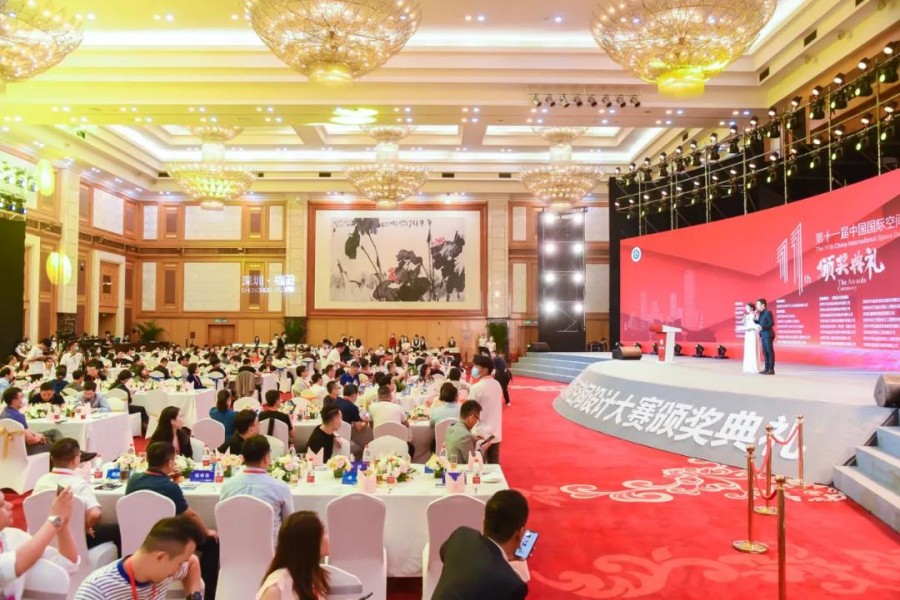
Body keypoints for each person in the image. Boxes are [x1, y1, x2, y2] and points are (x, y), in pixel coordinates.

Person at [125, 442, 219, 599]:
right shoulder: (170, 487)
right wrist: (206, 531)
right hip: (166, 540)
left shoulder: (133, 480)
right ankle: (209, 593)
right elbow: (190, 516)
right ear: (169, 463)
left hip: (136, 538)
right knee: (211, 542)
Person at [74, 515, 204, 600]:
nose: (179, 570)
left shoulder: (162, 573)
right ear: (161, 557)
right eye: (179, 563)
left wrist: (195, 597)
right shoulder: (96, 591)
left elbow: (192, 562)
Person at [432, 490, 530, 600]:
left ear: (484, 522)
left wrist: (502, 559)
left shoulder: (461, 534)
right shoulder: (512, 585)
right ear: (520, 534)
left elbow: (444, 555)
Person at [34, 438, 121, 551]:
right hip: (72, 538)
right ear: (76, 459)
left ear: (52, 458)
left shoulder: (40, 481)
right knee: (117, 530)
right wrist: (85, 527)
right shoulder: (78, 483)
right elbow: (95, 514)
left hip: (43, 536)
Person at [0, 487, 80, 600]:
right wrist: (56, 519)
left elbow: (67, 563)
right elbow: (13, 565)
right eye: (1, 505)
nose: (10, 505)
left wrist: (63, 522)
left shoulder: (14, 536)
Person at [220, 435, 293, 546]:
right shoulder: (280, 488)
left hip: (235, 548)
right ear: (267, 457)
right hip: (271, 550)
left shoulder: (227, 486)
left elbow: (224, 520)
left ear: (243, 457)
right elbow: (289, 523)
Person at [256, 512, 330, 600]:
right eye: (324, 532)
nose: (328, 536)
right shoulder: (276, 589)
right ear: (309, 543)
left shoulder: (312, 576)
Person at [468, 355, 502, 464]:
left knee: (478, 465)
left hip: (480, 433)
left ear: (485, 369)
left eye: (476, 366)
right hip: (495, 432)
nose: (473, 369)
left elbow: (469, 411)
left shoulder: (476, 388)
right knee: (494, 465)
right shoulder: (497, 384)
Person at [1, 387, 53, 455]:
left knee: (52, 433)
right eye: (22, 397)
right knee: (55, 444)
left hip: (9, 449)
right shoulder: (17, 417)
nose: (24, 399)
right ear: (14, 401)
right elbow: (30, 440)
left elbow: (26, 433)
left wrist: (37, 435)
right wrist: (39, 438)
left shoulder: (5, 412)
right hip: (25, 450)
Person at [111, 369, 149, 436]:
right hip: (124, 409)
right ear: (126, 379)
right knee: (142, 408)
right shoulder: (124, 389)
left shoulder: (112, 386)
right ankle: (145, 426)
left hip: (112, 408)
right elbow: (129, 401)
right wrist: (130, 394)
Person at [754, 298, 776, 375]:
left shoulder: (768, 312)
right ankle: (766, 368)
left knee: (769, 351)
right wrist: (755, 316)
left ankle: (771, 369)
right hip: (763, 335)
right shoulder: (761, 313)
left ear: (763, 305)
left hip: (768, 334)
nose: (757, 306)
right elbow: (758, 322)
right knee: (764, 351)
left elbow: (771, 323)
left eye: (758, 305)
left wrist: (763, 327)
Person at [742, 302, 762, 374]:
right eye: (746, 307)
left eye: (747, 307)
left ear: (752, 308)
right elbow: (745, 324)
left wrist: (755, 315)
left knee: (753, 348)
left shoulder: (755, 314)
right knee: (748, 349)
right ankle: (748, 366)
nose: (746, 309)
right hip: (747, 334)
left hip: (753, 333)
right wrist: (744, 319)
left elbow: (758, 323)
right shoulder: (746, 316)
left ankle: (754, 367)